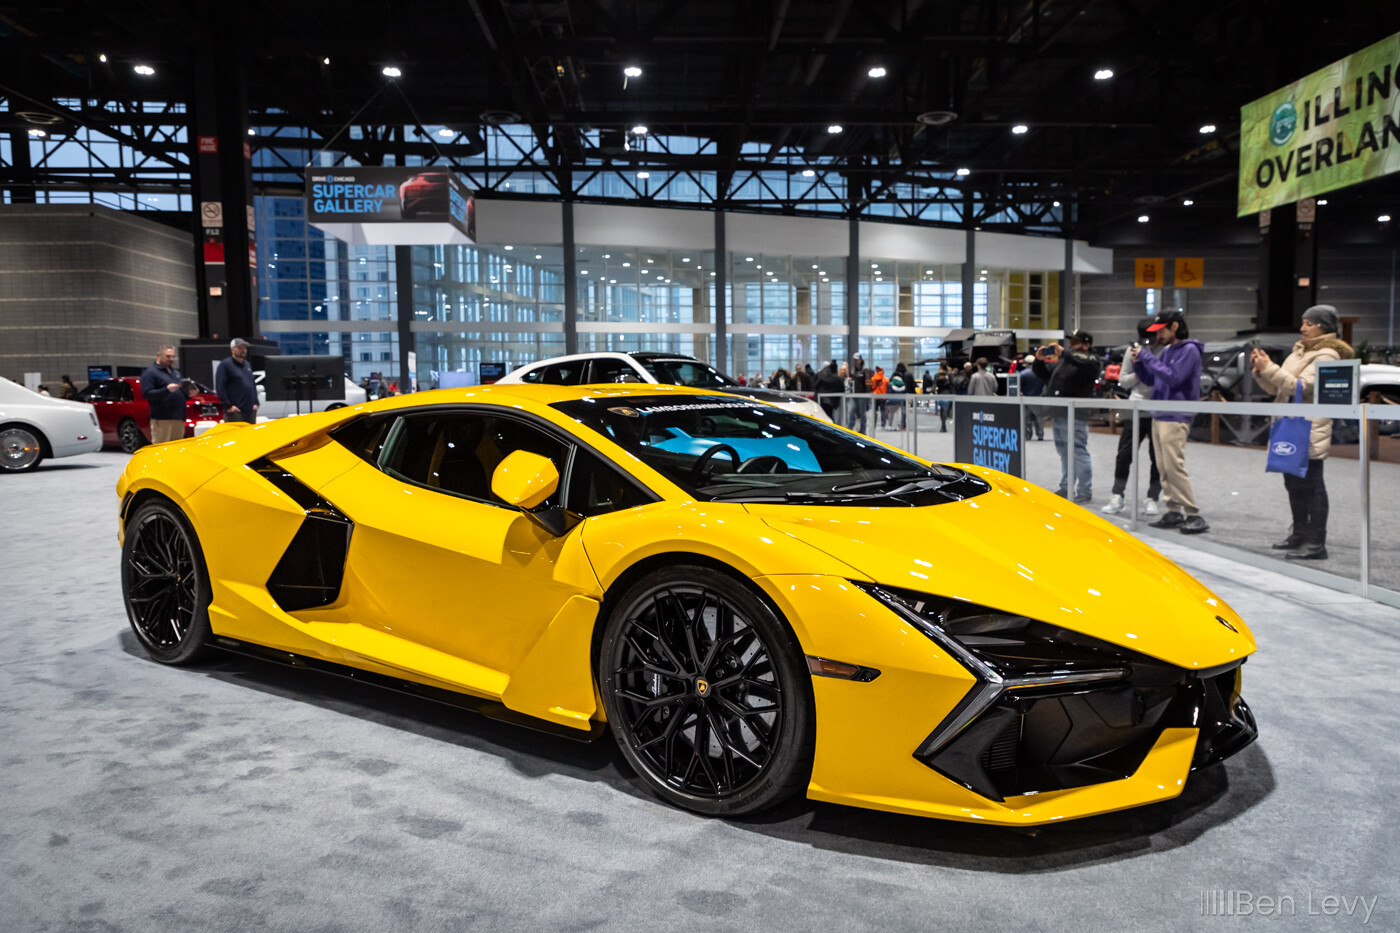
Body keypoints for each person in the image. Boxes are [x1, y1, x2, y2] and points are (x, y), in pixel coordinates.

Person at [1251, 304, 1354, 560]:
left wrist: (1271, 368)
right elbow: (1277, 389)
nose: (1302, 328)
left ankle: (1317, 543)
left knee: (1312, 485)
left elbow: (1303, 387)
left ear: (1324, 326)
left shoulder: (1328, 354)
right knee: (1293, 484)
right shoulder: (1299, 352)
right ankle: (1299, 534)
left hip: (1309, 427)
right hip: (1289, 425)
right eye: (1303, 323)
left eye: (1309, 323)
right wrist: (1261, 371)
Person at [1132, 310, 1207, 534]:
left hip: (1176, 415)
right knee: (1163, 467)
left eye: (1161, 330)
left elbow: (1174, 378)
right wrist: (1138, 363)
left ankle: (1193, 512)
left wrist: (1146, 357)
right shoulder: (1168, 351)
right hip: (1162, 413)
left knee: (1173, 465)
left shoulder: (1189, 351)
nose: (1158, 336)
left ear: (1174, 327)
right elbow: (1150, 379)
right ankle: (1174, 509)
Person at [1033, 330, 1100, 503]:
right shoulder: (1066, 361)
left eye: (1076, 342)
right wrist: (1039, 362)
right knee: (1064, 453)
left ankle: (1085, 491)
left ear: (1087, 344)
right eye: (1071, 342)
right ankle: (1066, 486)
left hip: (1076, 415)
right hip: (1059, 414)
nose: (1072, 345)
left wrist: (1064, 353)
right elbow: (1045, 375)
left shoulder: (1091, 360)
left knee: (1078, 452)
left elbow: (1083, 362)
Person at [1102, 320, 1162, 515]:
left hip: (1159, 409)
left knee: (1157, 456)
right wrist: (1140, 372)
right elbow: (1123, 381)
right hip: (1136, 407)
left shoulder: (1167, 350)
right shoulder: (1132, 351)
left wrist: (1151, 369)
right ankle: (1117, 495)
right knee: (1124, 454)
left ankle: (1153, 497)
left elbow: (1167, 377)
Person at [140, 345, 189, 444]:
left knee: (177, 450)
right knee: (162, 449)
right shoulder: (150, 373)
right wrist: (166, 390)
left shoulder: (175, 372)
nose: (171, 359)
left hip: (178, 418)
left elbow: (178, 391)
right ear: (159, 355)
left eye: (173, 356)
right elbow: (146, 393)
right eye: (168, 356)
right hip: (162, 419)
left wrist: (188, 395)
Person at [215, 337, 259, 424]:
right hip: (235, 412)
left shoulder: (247, 365)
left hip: (250, 410)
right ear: (232, 349)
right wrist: (228, 406)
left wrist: (256, 403)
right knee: (236, 436)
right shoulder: (225, 365)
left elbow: (252, 385)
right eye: (239, 348)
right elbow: (220, 387)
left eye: (244, 348)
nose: (243, 350)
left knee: (251, 436)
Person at [1017, 354, 1045, 441]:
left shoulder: (1023, 374)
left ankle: (1027, 435)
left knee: (1026, 418)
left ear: (1026, 363)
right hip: (1038, 398)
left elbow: (1019, 388)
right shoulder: (1040, 373)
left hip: (1026, 399)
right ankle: (1040, 434)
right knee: (1039, 417)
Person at [848, 355, 871, 432]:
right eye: (854, 359)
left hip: (862, 395)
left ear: (860, 360)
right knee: (852, 411)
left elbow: (868, 383)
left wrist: (867, 395)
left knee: (862, 412)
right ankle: (850, 427)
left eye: (856, 359)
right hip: (854, 394)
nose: (855, 361)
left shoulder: (865, 370)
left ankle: (863, 429)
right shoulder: (852, 370)